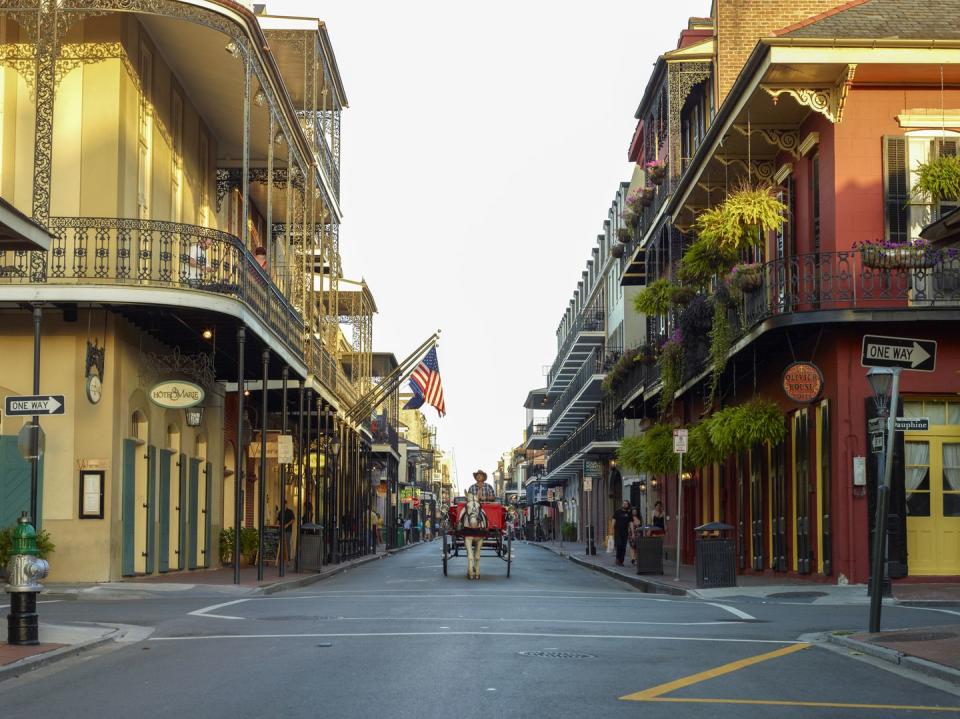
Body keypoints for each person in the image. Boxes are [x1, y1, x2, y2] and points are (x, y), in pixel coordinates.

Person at [612, 500, 632, 566]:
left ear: (628, 505)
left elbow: (630, 523)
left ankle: (621, 561)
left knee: (623, 547)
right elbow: (613, 521)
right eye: (623, 504)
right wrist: (612, 530)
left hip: (625, 532)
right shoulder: (617, 512)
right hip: (617, 531)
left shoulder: (629, 513)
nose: (624, 505)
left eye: (626, 504)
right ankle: (617, 558)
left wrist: (632, 532)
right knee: (619, 545)